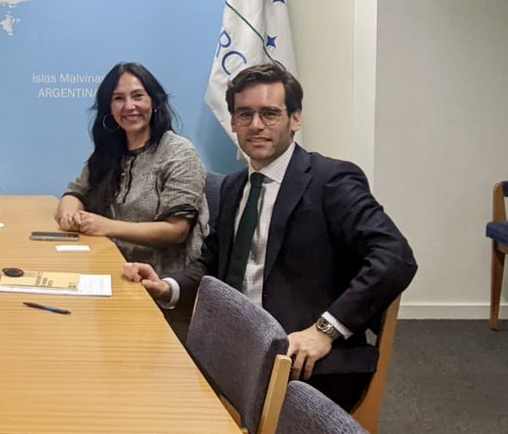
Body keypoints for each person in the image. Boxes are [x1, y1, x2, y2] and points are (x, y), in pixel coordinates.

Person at [123, 63, 416, 410]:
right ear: (232, 122)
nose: (256, 125)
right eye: (244, 114)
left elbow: (395, 257)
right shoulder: (234, 187)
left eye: (270, 113)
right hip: (234, 346)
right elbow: (210, 264)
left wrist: (325, 330)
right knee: (134, 378)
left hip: (303, 363)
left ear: (295, 119)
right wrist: (167, 286)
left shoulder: (331, 181)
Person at [55, 62, 209, 275]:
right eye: (118, 98)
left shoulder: (179, 152)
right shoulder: (108, 152)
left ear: (154, 102)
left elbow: (177, 230)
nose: (129, 106)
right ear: (109, 107)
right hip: (107, 267)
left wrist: (106, 226)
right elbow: (76, 192)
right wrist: (69, 214)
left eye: (138, 96)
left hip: (157, 279)